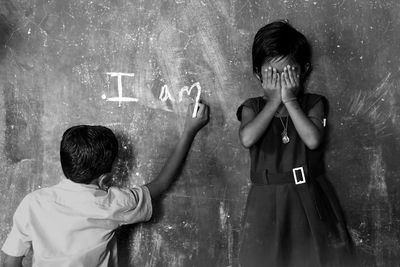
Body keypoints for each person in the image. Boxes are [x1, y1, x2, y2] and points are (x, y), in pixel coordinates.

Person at [2, 103, 209, 267]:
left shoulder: (32, 203)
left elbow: (11, 261)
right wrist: (189, 130)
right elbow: (162, 183)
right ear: (103, 179)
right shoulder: (113, 203)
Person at [237, 20, 354, 266]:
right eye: (273, 74)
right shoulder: (252, 107)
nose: (281, 81)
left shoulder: (313, 102)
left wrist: (289, 100)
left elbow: (312, 140)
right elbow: (247, 138)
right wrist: (272, 102)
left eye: (288, 73)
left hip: (307, 197)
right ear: (259, 74)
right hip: (265, 203)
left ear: (303, 70)